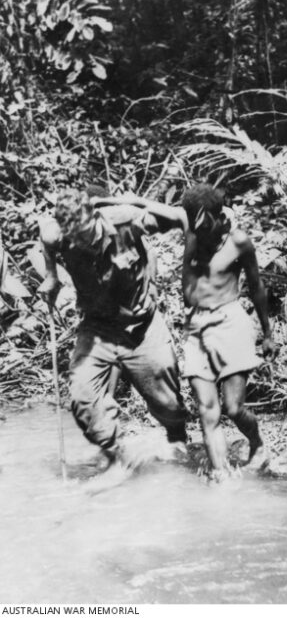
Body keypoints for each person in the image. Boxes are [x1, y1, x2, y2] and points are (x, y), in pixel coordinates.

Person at [39, 187, 189, 468]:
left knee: (166, 402)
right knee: (83, 396)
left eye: (85, 233)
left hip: (140, 327)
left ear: (95, 216)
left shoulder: (126, 219)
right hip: (97, 328)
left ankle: (178, 440)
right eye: (75, 238)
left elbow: (180, 216)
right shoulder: (57, 233)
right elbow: (45, 235)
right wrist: (51, 276)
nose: (82, 243)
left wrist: (132, 200)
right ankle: (115, 457)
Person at [181, 184, 275, 477]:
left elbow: (257, 287)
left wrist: (267, 333)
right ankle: (220, 475)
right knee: (207, 412)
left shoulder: (238, 242)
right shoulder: (192, 237)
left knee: (233, 409)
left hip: (230, 323)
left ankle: (257, 443)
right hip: (197, 327)